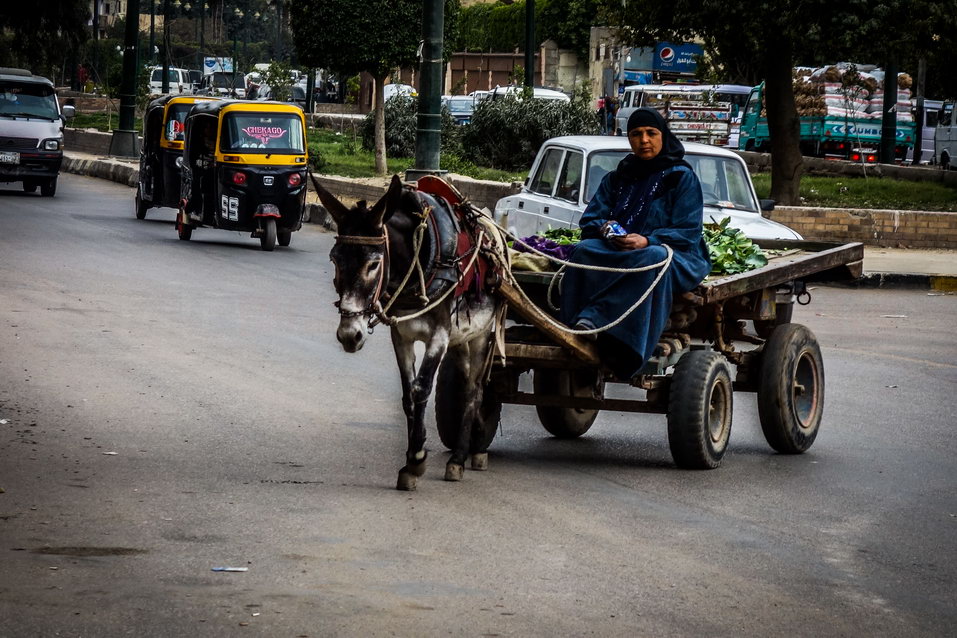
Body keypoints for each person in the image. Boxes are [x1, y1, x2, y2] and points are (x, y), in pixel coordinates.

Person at [560, 107, 711, 381]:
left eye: (651, 133)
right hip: (620, 251)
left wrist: (647, 239)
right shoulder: (618, 177)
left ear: (663, 136)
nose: (644, 140)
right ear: (629, 139)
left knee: (650, 257)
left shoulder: (681, 177)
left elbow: (688, 231)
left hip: (674, 254)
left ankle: (603, 326)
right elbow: (591, 220)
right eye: (636, 134)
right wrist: (607, 231)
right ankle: (572, 326)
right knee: (582, 251)